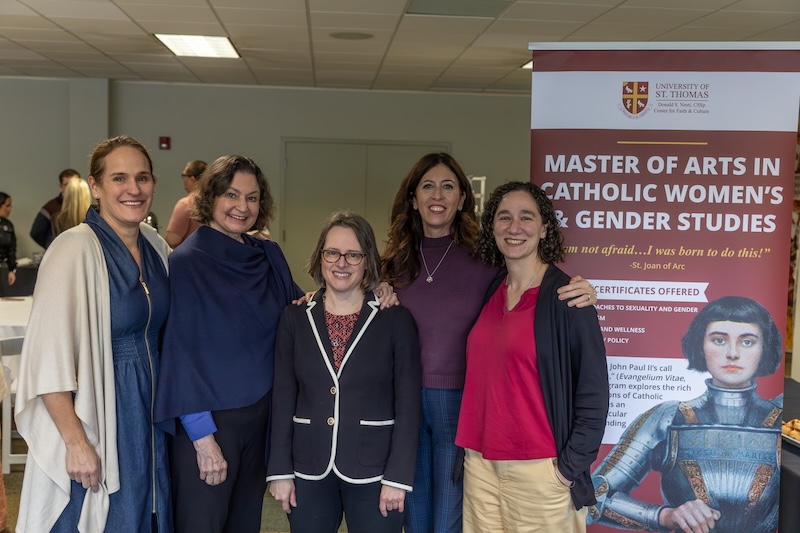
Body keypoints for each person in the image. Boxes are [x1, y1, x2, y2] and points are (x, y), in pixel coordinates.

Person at [380, 153, 599, 533]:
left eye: (448, 186)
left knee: (448, 520)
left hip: (461, 408)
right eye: (427, 186)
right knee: (414, 517)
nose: (437, 195)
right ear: (412, 197)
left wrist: (582, 290)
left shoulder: (489, 265)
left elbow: (589, 384)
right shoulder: (394, 264)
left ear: (463, 198)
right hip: (415, 406)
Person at [14, 136, 172, 532]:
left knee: (145, 512)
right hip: (99, 407)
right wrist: (75, 442)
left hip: (150, 406)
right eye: (119, 178)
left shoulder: (155, 245)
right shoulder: (73, 250)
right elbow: (47, 358)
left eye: (142, 178)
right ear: (96, 186)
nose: (133, 189)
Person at [155, 155, 304, 533]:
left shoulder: (268, 255)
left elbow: (305, 312)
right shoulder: (188, 262)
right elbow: (180, 355)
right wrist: (203, 441)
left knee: (244, 525)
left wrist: (371, 292)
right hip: (208, 425)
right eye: (231, 194)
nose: (242, 206)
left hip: (261, 419)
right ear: (210, 198)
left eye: (252, 198)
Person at [455, 181, 608, 533]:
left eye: (527, 217)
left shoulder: (568, 298)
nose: (514, 227)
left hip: (541, 470)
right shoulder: (492, 289)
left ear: (544, 228)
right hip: (480, 464)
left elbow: (593, 392)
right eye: (504, 217)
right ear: (492, 227)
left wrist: (567, 470)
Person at [268, 211, 421, 533]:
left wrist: (398, 477)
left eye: (353, 254)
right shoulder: (294, 318)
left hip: (376, 470)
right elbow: (283, 397)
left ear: (367, 261)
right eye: (332, 252)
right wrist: (280, 471)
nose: (342, 263)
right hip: (309, 466)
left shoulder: (395, 320)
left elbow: (408, 406)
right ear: (320, 257)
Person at [589, 296, 783, 533]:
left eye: (747, 342)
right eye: (719, 340)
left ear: (765, 348)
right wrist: (665, 516)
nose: (732, 353)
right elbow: (595, 495)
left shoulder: (784, 419)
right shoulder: (668, 417)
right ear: (700, 345)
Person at [30, 168, 80, 249]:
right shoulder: (51, 206)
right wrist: (52, 246)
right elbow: (36, 233)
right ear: (61, 186)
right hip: (60, 252)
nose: (71, 188)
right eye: (67, 184)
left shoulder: (86, 205)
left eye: (74, 184)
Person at [165, 159, 206, 247]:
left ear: (192, 179)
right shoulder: (214, 202)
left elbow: (172, 240)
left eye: (184, 175)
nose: (183, 179)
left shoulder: (185, 204)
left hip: (189, 258)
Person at [0, 193, 17, 291]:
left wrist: (12, 270)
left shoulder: (8, 225)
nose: (9, 209)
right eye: (7, 206)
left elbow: (11, 249)